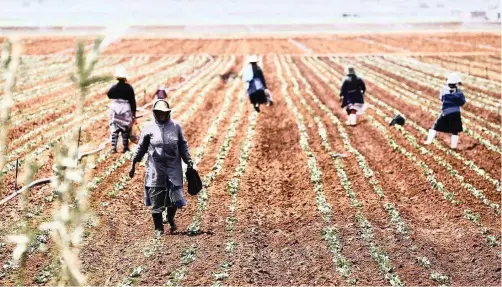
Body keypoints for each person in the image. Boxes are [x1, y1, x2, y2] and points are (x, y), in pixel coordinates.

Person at [128, 99, 194, 236]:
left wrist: (188, 160)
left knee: (174, 200)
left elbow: (183, 145)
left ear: (168, 113)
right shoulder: (149, 128)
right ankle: (158, 227)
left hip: (173, 169)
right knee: (157, 200)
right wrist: (133, 163)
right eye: (159, 113)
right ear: (154, 113)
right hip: (155, 170)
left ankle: (170, 217)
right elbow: (140, 147)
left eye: (164, 113)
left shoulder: (176, 127)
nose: (162, 115)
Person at [424, 72, 466, 149]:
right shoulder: (459, 93)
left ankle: (428, 141)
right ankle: (453, 146)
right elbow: (462, 102)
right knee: (455, 131)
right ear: (456, 83)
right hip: (456, 113)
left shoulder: (443, 90)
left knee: (435, 127)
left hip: (445, 112)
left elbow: (441, 99)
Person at [107, 66, 136, 153]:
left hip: (114, 109)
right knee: (125, 129)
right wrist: (134, 113)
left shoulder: (113, 87)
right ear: (125, 77)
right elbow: (132, 101)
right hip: (125, 109)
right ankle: (125, 148)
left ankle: (113, 148)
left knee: (114, 129)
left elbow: (109, 95)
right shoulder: (129, 88)